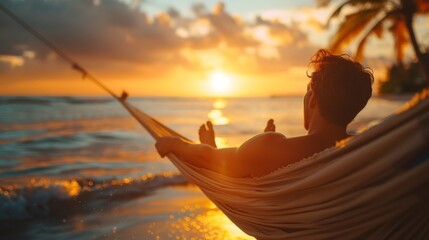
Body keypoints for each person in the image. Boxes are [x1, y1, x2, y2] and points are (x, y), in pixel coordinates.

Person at [155, 49, 373, 177]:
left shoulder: (273, 149)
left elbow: (209, 159)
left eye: (307, 92)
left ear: (313, 97)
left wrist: (176, 144)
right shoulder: (367, 152)